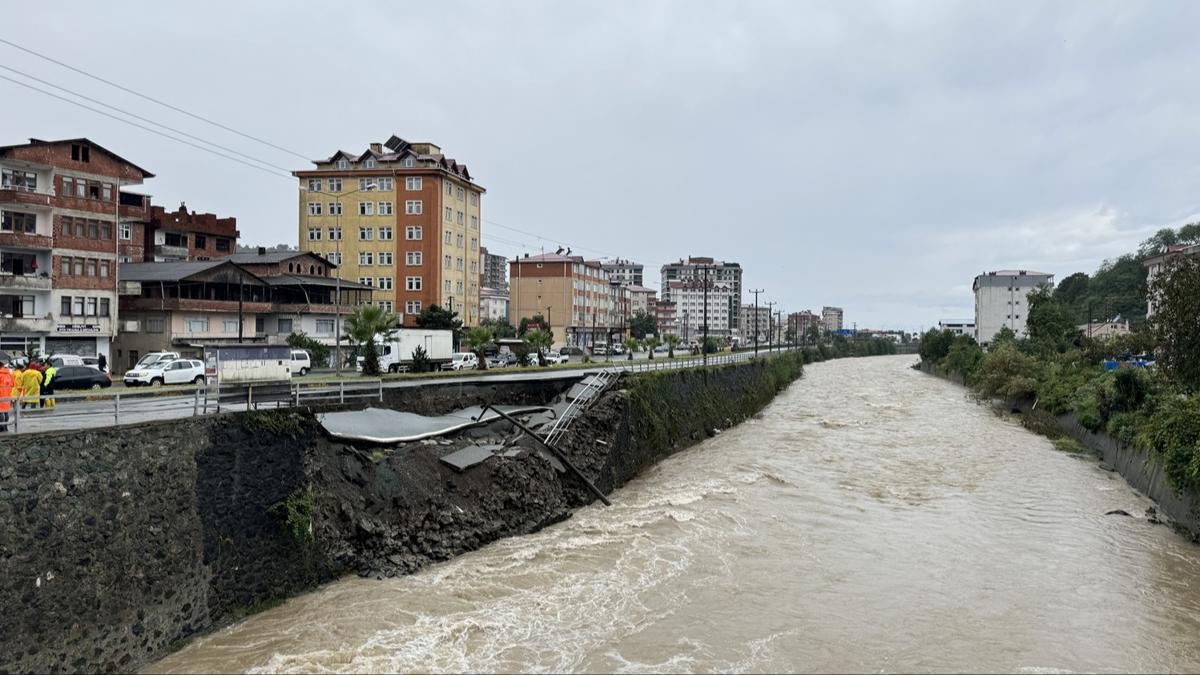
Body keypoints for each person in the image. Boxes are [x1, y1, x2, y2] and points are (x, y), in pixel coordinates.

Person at [0, 362, 13, 432]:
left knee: (0, 412)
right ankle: (5, 427)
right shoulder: (9, 374)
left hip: (1, 396)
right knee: (6, 412)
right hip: (8, 395)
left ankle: (1, 427)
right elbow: (13, 384)